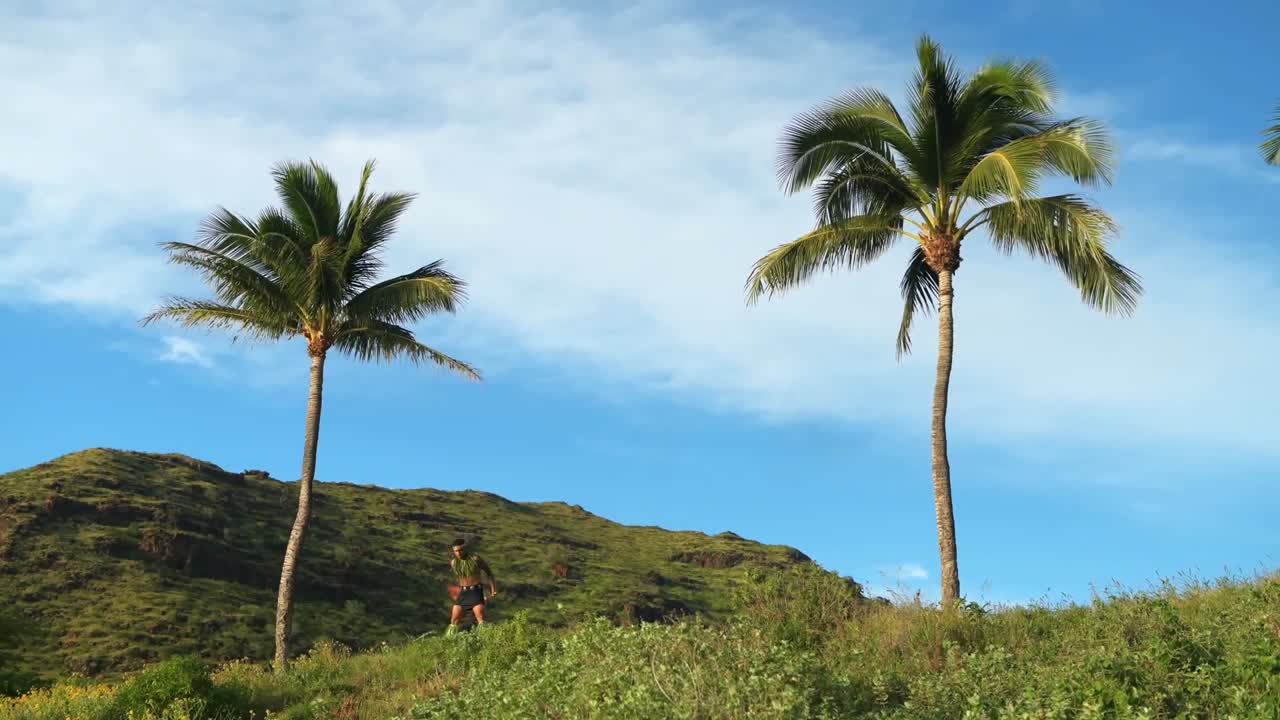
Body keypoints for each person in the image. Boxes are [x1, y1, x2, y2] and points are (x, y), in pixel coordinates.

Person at [447, 537, 498, 634]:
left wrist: (493, 589)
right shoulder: (454, 563)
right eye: (456, 551)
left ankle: (485, 638)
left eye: (460, 550)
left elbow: (489, 573)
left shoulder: (475, 559)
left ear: (465, 548)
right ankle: (449, 641)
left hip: (475, 591)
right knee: (454, 619)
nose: (458, 553)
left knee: (480, 617)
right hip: (463, 593)